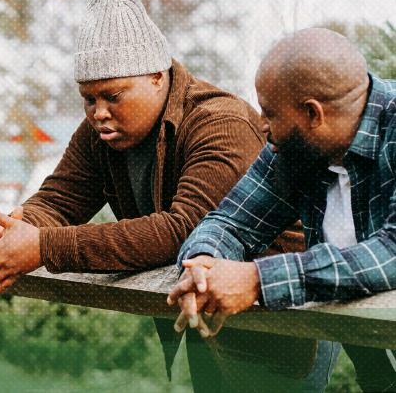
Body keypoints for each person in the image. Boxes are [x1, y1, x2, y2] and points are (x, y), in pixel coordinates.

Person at [0, 0, 322, 392]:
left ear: (156, 76)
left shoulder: (221, 123)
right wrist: (14, 230)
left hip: (283, 322)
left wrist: (44, 247)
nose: (98, 112)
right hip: (206, 315)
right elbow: (60, 200)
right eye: (87, 98)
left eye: (113, 95)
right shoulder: (101, 133)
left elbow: (185, 231)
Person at [169, 27, 396, 392]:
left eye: (269, 112)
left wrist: (258, 280)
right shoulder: (297, 151)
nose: (262, 125)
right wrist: (203, 265)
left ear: (312, 113)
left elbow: (392, 253)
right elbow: (229, 222)